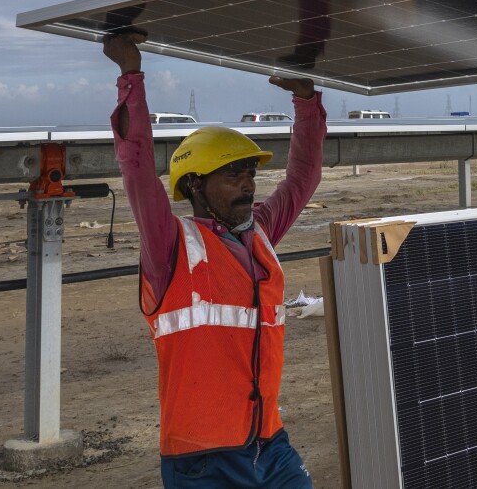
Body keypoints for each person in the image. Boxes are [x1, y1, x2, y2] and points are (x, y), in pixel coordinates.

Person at [103, 32, 326, 488]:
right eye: (232, 174)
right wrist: (130, 74)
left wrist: (307, 102)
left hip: (269, 444)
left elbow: (303, 177)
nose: (248, 184)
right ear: (195, 186)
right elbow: (138, 169)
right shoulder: (169, 246)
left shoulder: (259, 232)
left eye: (250, 173)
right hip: (202, 459)